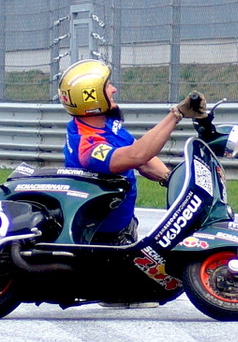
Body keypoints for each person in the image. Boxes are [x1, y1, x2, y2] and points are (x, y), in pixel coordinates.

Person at [58, 60, 206, 244]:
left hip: (122, 227)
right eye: (107, 86)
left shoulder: (106, 125)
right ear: (91, 96)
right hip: (102, 241)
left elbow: (143, 160)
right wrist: (176, 115)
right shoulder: (87, 145)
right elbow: (136, 155)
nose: (113, 90)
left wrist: (170, 179)